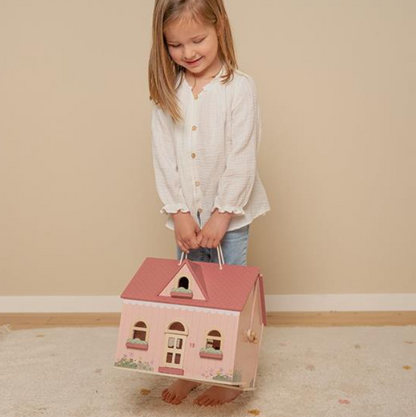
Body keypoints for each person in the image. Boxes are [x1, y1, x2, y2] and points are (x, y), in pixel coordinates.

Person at [148, 0, 270, 407]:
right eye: (175, 45)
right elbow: (164, 155)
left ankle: (228, 376)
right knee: (188, 300)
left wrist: (223, 213)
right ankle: (186, 371)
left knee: (225, 300)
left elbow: (242, 155)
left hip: (228, 220)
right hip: (187, 218)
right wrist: (179, 212)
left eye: (197, 39)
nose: (188, 53)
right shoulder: (169, 91)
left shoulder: (239, 88)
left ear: (220, 28)